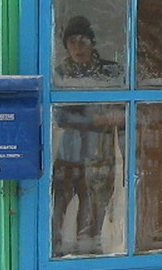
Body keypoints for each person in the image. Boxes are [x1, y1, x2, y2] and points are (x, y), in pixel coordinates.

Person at [52, 16, 123, 256]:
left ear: (93, 43)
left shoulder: (111, 71)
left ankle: (92, 256)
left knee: (95, 211)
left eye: (83, 41)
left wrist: (117, 117)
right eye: (72, 42)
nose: (78, 47)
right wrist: (96, 120)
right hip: (69, 154)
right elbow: (61, 117)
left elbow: (125, 112)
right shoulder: (61, 73)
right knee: (59, 210)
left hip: (101, 153)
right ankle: (55, 253)